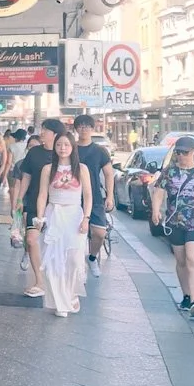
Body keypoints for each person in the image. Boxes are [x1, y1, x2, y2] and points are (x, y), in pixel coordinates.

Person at [150, 137, 194, 320]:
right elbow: (159, 192)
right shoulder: (169, 172)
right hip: (175, 223)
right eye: (178, 152)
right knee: (181, 261)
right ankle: (187, 296)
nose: (181, 156)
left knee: (193, 259)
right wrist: (156, 211)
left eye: (185, 152)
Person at [35, 130, 92, 317]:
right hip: (54, 214)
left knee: (74, 259)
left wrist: (86, 218)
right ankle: (60, 302)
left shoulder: (81, 169)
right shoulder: (47, 169)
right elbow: (42, 195)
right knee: (53, 260)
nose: (62, 148)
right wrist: (40, 217)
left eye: (66, 144)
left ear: (73, 147)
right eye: (59, 144)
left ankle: (72, 293)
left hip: (74, 215)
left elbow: (88, 195)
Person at [14, 119, 63, 297]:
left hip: (58, 206)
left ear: (55, 134)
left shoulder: (64, 153)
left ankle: (60, 281)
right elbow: (26, 177)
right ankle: (39, 281)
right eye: (42, 129)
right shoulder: (34, 152)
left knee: (57, 244)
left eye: (45, 130)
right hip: (35, 203)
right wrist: (20, 199)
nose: (41, 133)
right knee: (31, 239)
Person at [73, 114, 115, 275]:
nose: (84, 129)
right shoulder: (71, 149)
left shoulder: (100, 151)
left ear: (92, 128)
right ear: (76, 129)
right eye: (80, 126)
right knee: (74, 233)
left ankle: (91, 258)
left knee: (99, 233)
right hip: (73, 196)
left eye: (87, 126)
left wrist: (110, 196)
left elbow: (109, 174)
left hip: (95, 197)